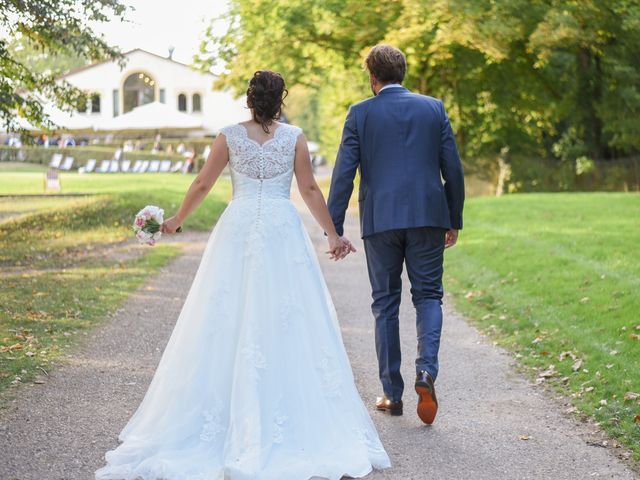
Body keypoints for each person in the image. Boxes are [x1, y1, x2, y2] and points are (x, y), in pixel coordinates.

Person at [95, 70, 390, 480]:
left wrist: (178, 220)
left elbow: (202, 183)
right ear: (281, 99)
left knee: (223, 316)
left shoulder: (229, 136)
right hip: (281, 230)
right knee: (289, 318)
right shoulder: (294, 137)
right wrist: (332, 234)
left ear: (250, 100)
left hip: (237, 230)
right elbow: (308, 190)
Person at [328, 44, 465, 425]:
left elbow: (344, 173)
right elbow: (452, 168)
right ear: (401, 72)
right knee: (428, 296)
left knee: (385, 303)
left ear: (373, 77)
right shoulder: (433, 108)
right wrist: (453, 217)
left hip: (381, 220)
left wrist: (334, 227)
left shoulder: (360, 114)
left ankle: (392, 393)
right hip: (428, 217)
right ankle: (426, 371)